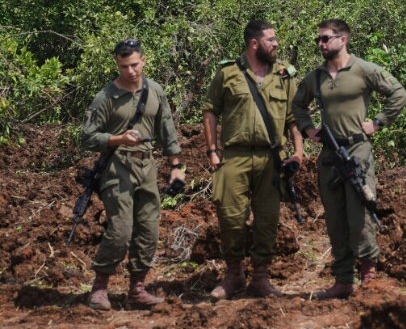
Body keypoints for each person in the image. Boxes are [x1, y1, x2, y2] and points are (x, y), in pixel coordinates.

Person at [291, 19, 406, 299]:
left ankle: (368, 277)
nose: (321, 44)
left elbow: (398, 93)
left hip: (357, 151)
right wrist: (308, 129)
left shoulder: (363, 69)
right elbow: (297, 104)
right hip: (330, 155)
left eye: (325, 38)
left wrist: (377, 123)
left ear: (342, 39)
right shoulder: (316, 77)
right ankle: (343, 281)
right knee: (335, 219)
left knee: (360, 215)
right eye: (318, 40)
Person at [203, 20, 305, 300]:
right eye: (271, 40)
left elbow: (294, 118)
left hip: (271, 158)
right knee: (230, 217)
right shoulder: (228, 73)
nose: (276, 44)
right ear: (254, 43)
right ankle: (234, 275)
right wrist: (212, 150)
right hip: (234, 156)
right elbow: (210, 110)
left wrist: (298, 152)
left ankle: (261, 278)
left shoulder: (285, 75)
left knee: (268, 219)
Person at [80, 39, 184, 311]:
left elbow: (167, 129)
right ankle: (99, 288)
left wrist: (175, 166)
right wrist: (118, 139)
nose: (130, 71)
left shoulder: (155, 91)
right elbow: (87, 137)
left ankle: (137, 289)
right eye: (124, 66)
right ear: (117, 65)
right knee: (121, 231)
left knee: (149, 229)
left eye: (134, 65)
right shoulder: (106, 97)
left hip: (147, 167)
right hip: (117, 167)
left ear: (143, 61)